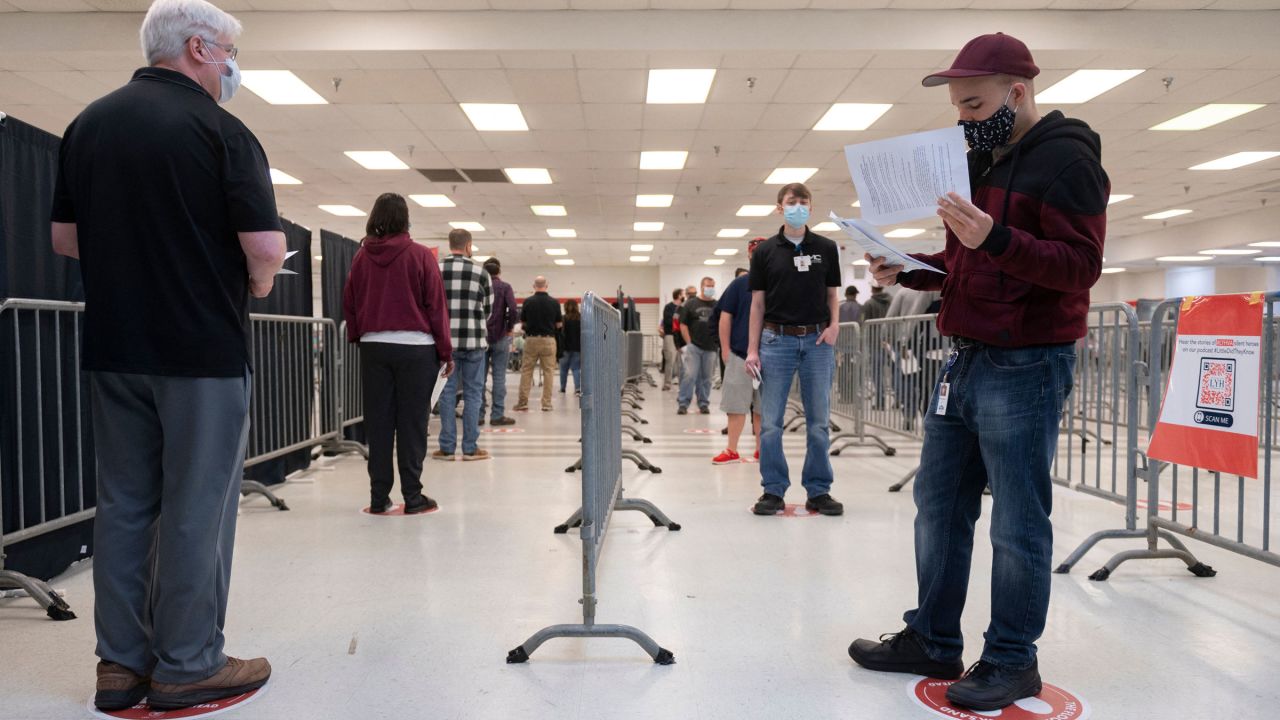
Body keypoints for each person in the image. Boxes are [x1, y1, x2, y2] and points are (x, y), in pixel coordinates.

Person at [848, 32, 1106, 713]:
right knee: (938, 505)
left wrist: (989, 236)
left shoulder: (1069, 158)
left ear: (1017, 91)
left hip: (1025, 362)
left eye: (973, 102)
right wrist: (911, 267)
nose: (962, 116)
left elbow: (1079, 265)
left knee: (1017, 520)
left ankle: (1012, 659)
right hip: (962, 356)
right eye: (958, 106)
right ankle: (933, 637)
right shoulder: (982, 159)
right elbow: (974, 261)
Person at [50, 0, 285, 710]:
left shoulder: (87, 125)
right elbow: (265, 247)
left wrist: (135, 262)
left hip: (116, 344)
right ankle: (187, 665)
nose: (231, 65)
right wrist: (260, 279)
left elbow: (65, 239)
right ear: (197, 48)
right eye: (228, 51)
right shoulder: (222, 130)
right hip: (200, 351)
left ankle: (119, 669)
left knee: (123, 503)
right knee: (197, 507)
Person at [343, 193, 453, 513]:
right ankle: (413, 496)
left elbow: (350, 301)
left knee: (378, 423)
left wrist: (359, 336)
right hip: (416, 349)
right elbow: (435, 305)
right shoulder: (420, 256)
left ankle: (379, 497)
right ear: (406, 220)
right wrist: (445, 351)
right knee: (412, 423)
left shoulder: (360, 258)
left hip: (375, 346)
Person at [744, 182, 844, 517]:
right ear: (779, 207)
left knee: (818, 421)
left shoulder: (827, 248)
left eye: (803, 201)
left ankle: (819, 490)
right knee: (771, 422)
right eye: (791, 202)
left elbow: (832, 295)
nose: (797, 206)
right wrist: (752, 350)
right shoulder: (765, 252)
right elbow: (757, 305)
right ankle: (773, 490)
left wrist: (834, 327)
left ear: (810, 208)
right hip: (776, 341)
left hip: (817, 341)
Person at [432, 229, 492, 461]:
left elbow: (428, 305)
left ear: (450, 244)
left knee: (447, 394)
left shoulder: (436, 269)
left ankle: (447, 448)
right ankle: (470, 448)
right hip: (474, 342)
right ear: (469, 245)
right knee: (473, 394)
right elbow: (488, 309)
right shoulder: (481, 272)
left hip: (445, 344)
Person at [712, 238, 764, 464]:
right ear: (750, 256)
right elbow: (725, 317)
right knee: (735, 405)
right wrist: (725, 350)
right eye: (756, 252)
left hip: (771, 355)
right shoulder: (739, 284)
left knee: (765, 407)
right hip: (739, 354)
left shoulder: (780, 283)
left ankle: (763, 450)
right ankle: (731, 449)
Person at [516, 276, 562, 412]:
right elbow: (559, 324)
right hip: (549, 340)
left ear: (533, 286)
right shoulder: (554, 303)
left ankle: (523, 402)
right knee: (549, 372)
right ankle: (546, 404)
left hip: (531, 340)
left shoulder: (528, 302)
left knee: (527, 371)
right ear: (546, 286)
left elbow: (523, 323)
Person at [482, 257, 518, 427]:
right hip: (501, 336)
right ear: (499, 272)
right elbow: (512, 309)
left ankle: (478, 414)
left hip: (480, 337)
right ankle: (497, 415)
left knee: (477, 379)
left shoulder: (479, 286)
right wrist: (509, 327)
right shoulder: (505, 287)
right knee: (499, 377)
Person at [677, 277, 718, 415]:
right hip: (694, 346)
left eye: (712, 285)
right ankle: (683, 403)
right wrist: (689, 343)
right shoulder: (691, 304)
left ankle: (703, 403)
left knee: (706, 378)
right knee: (689, 375)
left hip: (711, 347)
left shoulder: (717, 305)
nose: (710, 288)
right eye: (708, 286)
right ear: (701, 287)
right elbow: (683, 324)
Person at [659, 289, 683, 390]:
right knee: (670, 360)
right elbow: (668, 321)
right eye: (683, 294)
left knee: (681, 361)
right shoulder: (669, 307)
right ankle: (667, 383)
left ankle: (682, 384)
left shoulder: (684, 307)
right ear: (679, 295)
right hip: (670, 336)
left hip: (681, 337)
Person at [559, 298, 582, 394]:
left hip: (565, 348)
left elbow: (561, 333)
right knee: (576, 369)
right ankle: (577, 388)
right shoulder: (581, 318)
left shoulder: (563, 318)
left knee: (563, 369)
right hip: (577, 348)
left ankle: (563, 388)